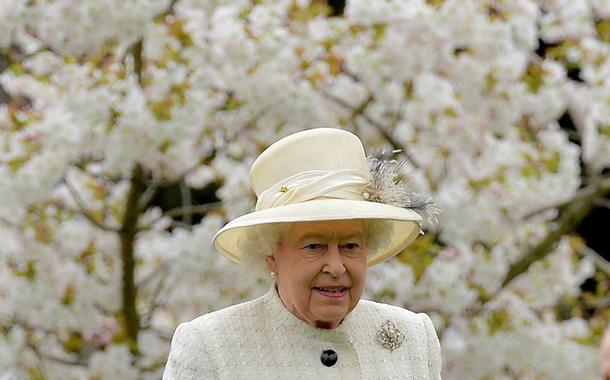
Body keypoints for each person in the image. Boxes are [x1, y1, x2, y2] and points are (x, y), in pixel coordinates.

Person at [162, 128, 441, 379]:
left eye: (350, 246)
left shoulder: (414, 336)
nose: (336, 267)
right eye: (314, 246)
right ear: (271, 254)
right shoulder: (209, 346)